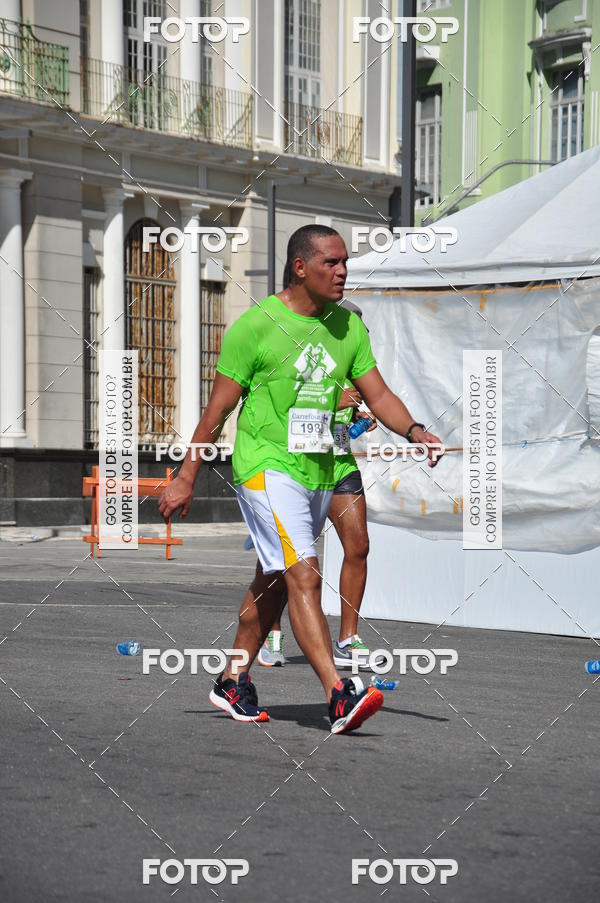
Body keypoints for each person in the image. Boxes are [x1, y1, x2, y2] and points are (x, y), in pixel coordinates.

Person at [158, 224, 442, 734]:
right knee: (304, 575)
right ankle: (339, 694)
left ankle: (231, 681)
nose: (343, 272)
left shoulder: (347, 328)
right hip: (265, 467)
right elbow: (215, 414)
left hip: (316, 470)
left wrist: (415, 430)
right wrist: (186, 477)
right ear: (300, 267)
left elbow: (377, 395)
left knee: (274, 583)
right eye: (331, 263)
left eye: (345, 262)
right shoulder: (256, 326)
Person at [258, 302, 379, 670]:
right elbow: (281, 415)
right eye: (349, 330)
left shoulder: (354, 372)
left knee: (358, 547)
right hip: (294, 469)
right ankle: (272, 635)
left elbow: (333, 437)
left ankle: (347, 637)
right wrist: (332, 399)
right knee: (283, 563)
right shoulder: (303, 360)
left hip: (338, 466)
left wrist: (355, 425)